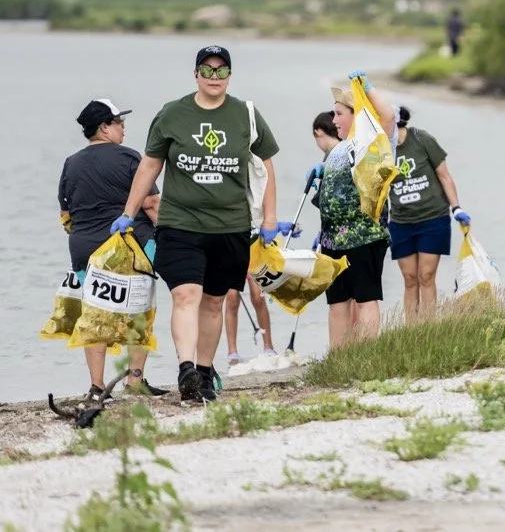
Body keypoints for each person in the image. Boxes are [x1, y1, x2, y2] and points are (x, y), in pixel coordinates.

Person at [112, 45, 288, 403]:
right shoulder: (172, 114)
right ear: (195, 74)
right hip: (180, 223)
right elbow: (150, 165)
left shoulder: (246, 115)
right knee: (185, 294)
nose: (213, 77)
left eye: (221, 71)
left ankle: (205, 374)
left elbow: (266, 168)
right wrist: (129, 212)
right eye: (206, 70)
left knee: (213, 301)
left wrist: (270, 217)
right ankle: (186, 368)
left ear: (230, 76)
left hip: (230, 226)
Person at [59, 99, 166, 402]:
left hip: (84, 249)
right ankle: (134, 381)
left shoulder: (71, 163)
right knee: (139, 310)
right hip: (130, 246)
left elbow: (66, 216)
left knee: (95, 314)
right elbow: (151, 204)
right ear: (104, 128)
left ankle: (96, 386)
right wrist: (170, 237)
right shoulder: (131, 158)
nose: (124, 127)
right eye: (119, 122)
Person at [305, 73, 397, 349]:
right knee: (336, 302)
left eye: (338, 113)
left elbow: (389, 116)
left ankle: (365, 355)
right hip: (331, 239)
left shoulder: (372, 142)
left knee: (365, 298)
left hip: (364, 236)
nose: (333, 121)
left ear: (356, 115)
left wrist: (368, 89)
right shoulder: (336, 150)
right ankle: (338, 358)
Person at [387, 105, 471, 323]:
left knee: (426, 276)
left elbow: (444, 175)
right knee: (409, 278)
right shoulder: (380, 149)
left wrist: (457, 207)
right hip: (400, 221)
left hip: (433, 218)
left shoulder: (421, 139)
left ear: (395, 121)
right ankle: (412, 330)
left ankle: (428, 328)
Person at [222, 277, 275, 364]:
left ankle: (268, 347)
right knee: (232, 298)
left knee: (258, 297)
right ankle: (232, 352)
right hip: (233, 264)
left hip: (252, 263)